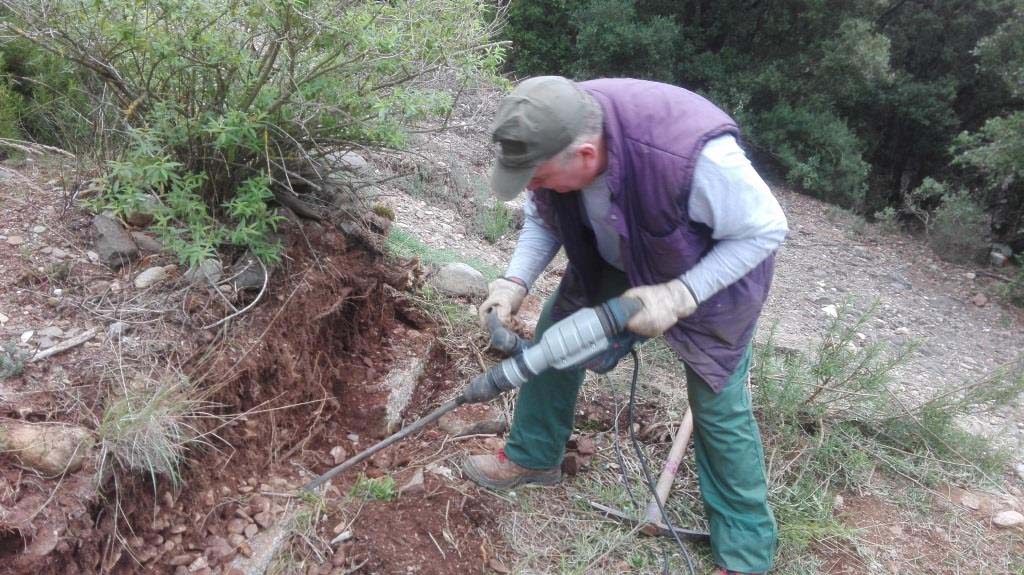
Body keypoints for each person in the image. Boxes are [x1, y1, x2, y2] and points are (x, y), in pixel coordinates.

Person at [461, 76, 788, 574]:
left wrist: (681, 294)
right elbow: (544, 216)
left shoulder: (692, 157)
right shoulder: (555, 126)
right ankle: (534, 456)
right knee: (555, 339)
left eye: (539, 176)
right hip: (623, 249)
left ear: (588, 156)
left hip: (710, 268)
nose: (532, 184)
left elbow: (765, 229)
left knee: (716, 400)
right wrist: (513, 282)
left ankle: (745, 554)